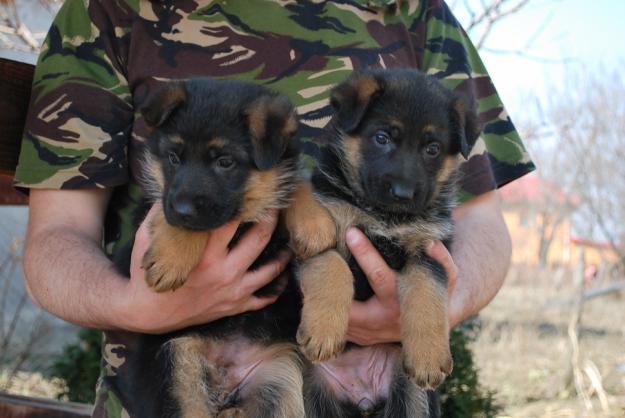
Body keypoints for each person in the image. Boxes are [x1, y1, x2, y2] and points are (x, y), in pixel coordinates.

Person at [15, 0, 534, 416]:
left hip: (312, 371)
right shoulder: (106, 11)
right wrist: (135, 306)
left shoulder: (416, 11)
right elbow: (53, 238)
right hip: (169, 384)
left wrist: (434, 310)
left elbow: (480, 220)